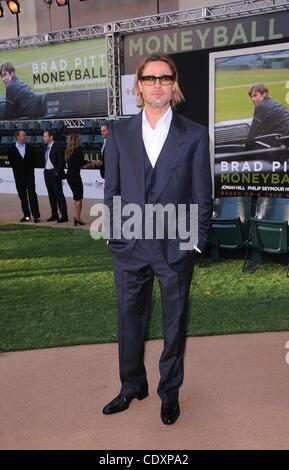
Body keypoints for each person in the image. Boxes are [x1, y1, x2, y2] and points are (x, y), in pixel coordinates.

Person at [102, 54, 212, 425]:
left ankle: (170, 392)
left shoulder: (195, 134)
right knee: (128, 320)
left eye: (165, 78)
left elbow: (202, 195)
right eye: (150, 78)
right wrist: (114, 237)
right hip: (130, 245)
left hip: (174, 246)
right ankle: (132, 385)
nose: (158, 84)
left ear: (174, 84)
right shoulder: (118, 133)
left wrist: (195, 241)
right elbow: (113, 190)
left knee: (174, 324)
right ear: (139, 86)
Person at [7, 130, 40, 223]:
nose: (25, 137)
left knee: (32, 195)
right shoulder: (11, 149)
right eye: (23, 135)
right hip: (18, 177)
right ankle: (26, 216)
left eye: (25, 135)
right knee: (22, 196)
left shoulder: (30, 148)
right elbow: (11, 162)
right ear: (18, 137)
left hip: (29, 176)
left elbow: (34, 160)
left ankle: (36, 216)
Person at [65, 134, 95, 226]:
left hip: (69, 175)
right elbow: (83, 163)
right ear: (77, 141)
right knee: (79, 197)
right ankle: (77, 218)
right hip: (75, 176)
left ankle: (77, 217)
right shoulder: (78, 151)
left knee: (76, 197)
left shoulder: (68, 151)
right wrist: (93, 163)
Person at [43, 130, 68, 223]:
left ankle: (64, 215)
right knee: (51, 195)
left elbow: (61, 161)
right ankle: (54, 214)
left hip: (54, 173)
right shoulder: (45, 147)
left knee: (59, 194)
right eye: (44, 136)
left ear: (51, 137)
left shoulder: (58, 146)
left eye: (45, 136)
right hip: (47, 173)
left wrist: (57, 172)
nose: (43, 138)